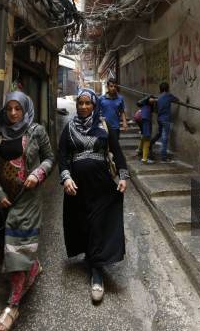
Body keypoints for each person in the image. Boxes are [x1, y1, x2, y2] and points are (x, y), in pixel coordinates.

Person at [0, 91, 54, 331]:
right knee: (13, 243)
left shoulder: (37, 131)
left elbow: (49, 158)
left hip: (29, 197)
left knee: (16, 245)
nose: (13, 113)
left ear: (25, 109)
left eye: (18, 109)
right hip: (6, 200)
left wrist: (38, 173)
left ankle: (12, 307)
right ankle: (33, 267)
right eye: (9, 109)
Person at [58, 88, 129, 302]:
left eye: (88, 103)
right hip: (77, 187)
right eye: (80, 103)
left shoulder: (103, 125)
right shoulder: (69, 127)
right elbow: (62, 156)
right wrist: (66, 178)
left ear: (94, 104)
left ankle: (97, 274)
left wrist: (123, 176)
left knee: (98, 223)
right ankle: (90, 255)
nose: (83, 107)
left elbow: (117, 152)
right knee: (85, 224)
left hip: (101, 185)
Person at [150, 82, 179, 162]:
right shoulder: (168, 95)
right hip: (166, 119)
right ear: (167, 88)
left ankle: (151, 143)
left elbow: (155, 110)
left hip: (159, 119)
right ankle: (163, 156)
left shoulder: (158, 97)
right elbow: (176, 100)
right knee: (165, 138)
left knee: (160, 134)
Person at [137, 95, 156, 164]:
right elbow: (138, 102)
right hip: (145, 120)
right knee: (147, 138)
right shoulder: (145, 105)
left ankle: (139, 150)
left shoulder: (146, 107)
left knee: (144, 137)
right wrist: (148, 98)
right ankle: (144, 159)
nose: (153, 101)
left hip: (144, 120)